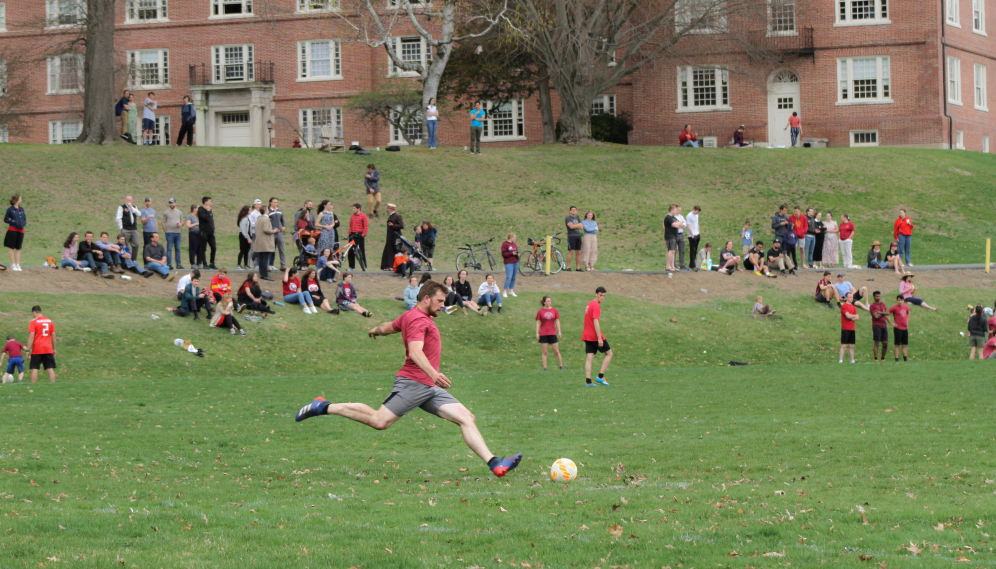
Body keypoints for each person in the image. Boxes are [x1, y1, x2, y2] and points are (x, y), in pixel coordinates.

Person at [294, 280, 523, 478]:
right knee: (378, 421)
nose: (444, 306)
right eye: (440, 301)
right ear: (426, 298)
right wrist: (434, 373)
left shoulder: (410, 316)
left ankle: (495, 464)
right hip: (414, 382)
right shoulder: (419, 321)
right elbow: (415, 352)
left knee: (466, 417)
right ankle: (323, 406)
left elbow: (388, 327)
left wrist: (375, 329)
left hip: (428, 387)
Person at [583, 286, 612, 386]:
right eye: (601, 295)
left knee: (590, 357)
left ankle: (588, 382)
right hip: (594, 335)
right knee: (609, 354)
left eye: (604, 296)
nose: (602, 297)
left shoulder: (589, 304)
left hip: (587, 335)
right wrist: (599, 338)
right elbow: (595, 322)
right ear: (596, 294)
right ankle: (600, 377)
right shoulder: (595, 305)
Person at [27, 306, 56, 383]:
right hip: (48, 348)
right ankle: (53, 385)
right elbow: (53, 336)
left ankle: (33, 386)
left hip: (37, 348)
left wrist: (27, 349)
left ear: (34, 312)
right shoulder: (50, 321)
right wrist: (54, 348)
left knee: (35, 368)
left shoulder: (33, 322)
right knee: (50, 368)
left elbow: (31, 336)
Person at [536, 296, 563, 370]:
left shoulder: (554, 310)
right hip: (543, 333)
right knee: (545, 351)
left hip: (552, 333)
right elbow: (538, 322)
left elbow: (557, 321)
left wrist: (559, 331)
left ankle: (561, 366)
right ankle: (545, 368)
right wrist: (537, 333)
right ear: (544, 302)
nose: (549, 302)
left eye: (550, 301)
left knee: (556, 351)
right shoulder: (540, 311)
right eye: (547, 301)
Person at [161, 197, 184, 269]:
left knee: (177, 249)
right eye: (170, 203)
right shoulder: (166, 212)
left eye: (172, 203)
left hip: (178, 233)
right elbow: (163, 222)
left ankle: (178, 264)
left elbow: (182, 221)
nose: (171, 204)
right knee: (169, 249)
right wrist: (166, 231)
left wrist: (181, 224)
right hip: (170, 233)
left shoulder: (179, 212)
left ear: (175, 203)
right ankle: (169, 264)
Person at [253, 206, 275, 280]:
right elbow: (266, 229)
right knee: (265, 259)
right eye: (267, 209)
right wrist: (274, 231)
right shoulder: (266, 219)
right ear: (265, 211)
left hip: (259, 241)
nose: (268, 211)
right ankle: (265, 275)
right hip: (266, 242)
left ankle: (262, 274)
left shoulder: (258, 219)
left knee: (261, 258)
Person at [867, 291, 890, 362]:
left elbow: (888, 312)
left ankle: (882, 358)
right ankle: (876, 358)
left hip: (884, 325)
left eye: (879, 296)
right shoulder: (872, 306)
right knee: (876, 342)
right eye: (876, 296)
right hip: (877, 325)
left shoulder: (882, 304)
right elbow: (876, 316)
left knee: (885, 343)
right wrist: (883, 313)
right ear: (874, 297)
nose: (878, 297)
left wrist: (880, 312)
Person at [4, 194, 26, 271]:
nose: (21, 200)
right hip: (13, 230)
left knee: (18, 248)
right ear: (17, 200)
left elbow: (24, 218)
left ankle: (17, 264)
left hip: (21, 230)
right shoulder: (10, 209)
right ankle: (13, 264)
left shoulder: (21, 209)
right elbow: (6, 219)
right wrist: (13, 221)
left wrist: (23, 224)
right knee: (12, 247)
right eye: (20, 199)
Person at [380, 203, 404, 271]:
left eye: (388, 208)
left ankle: (394, 266)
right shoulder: (390, 216)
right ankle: (387, 266)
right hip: (390, 237)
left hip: (395, 237)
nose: (387, 210)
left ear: (391, 209)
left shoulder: (397, 216)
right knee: (388, 251)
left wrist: (393, 225)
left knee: (395, 251)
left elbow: (401, 226)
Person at [197, 197, 217, 270]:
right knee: (203, 248)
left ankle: (212, 263)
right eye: (209, 201)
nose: (211, 202)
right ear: (205, 202)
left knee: (214, 247)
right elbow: (205, 218)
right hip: (203, 232)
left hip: (210, 233)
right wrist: (208, 211)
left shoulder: (210, 210)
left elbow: (211, 220)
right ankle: (204, 264)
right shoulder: (201, 210)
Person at [268, 197, 288, 271]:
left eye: (276, 202)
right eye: (274, 202)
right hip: (272, 233)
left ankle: (283, 265)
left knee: (281, 249)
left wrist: (284, 226)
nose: (276, 204)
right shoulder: (269, 212)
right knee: (271, 249)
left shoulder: (279, 211)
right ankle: (269, 265)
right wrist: (272, 229)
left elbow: (282, 220)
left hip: (279, 232)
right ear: (271, 202)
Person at [889, 295, 910, 362]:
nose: (900, 301)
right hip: (898, 328)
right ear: (897, 301)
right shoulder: (894, 308)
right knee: (897, 344)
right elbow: (887, 313)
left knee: (904, 344)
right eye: (898, 300)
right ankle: (896, 359)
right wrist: (891, 323)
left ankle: (905, 358)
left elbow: (908, 313)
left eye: (901, 300)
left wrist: (907, 321)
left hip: (905, 328)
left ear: (903, 301)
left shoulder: (905, 307)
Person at [663, 204, 684, 272]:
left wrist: (679, 224)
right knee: (670, 250)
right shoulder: (668, 217)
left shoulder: (673, 218)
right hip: (670, 236)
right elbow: (674, 225)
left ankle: (673, 266)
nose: (676, 211)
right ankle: (668, 266)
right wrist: (678, 223)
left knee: (674, 251)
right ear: (672, 210)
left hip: (675, 236)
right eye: (675, 210)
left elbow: (682, 225)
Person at [839, 291, 859, 364]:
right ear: (846, 298)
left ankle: (852, 360)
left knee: (852, 345)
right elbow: (848, 316)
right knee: (844, 345)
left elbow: (857, 317)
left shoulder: (853, 306)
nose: (851, 298)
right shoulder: (844, 306)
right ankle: (841, 360)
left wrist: (852, 317)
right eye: (850, 297)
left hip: (852, 328)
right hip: (845, 328)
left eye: (852, 297)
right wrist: (853, 316)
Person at [348, 203, 369, 270]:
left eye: (354, 208)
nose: (353, 210)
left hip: (359, 235)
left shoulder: (363, 216)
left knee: (361, 251)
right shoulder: (352, 216)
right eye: (353, 208)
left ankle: (364, 266)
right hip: (352, 234)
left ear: (358, 209)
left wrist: (363, 234)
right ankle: (351, 266)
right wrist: (350, 234)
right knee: (351, 251)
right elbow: (350, 225)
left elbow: (365, 226)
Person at [565, 206, 583, 271]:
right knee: (571, 251)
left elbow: (581, 227)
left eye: (575, 210)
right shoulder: (568, 218)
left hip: (578, 235)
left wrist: (575, 225)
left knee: (578, 252)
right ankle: (568, 267)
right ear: (570, 211)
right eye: (572, 210)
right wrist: (577, 225)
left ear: (576, 211)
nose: (573, 211)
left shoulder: (578, 218)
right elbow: (571, 227)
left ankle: (578, 267)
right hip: (571, 236)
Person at [237, 205, 252, 270]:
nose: (250, 211)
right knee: (242, 250)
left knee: (247, 250)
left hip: (247, 235)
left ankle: (246, 264)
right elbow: (243, 230)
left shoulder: (247, 218)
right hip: (243, 236)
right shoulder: (243, 219)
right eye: (249, 210)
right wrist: (248, 238)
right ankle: (239, 265)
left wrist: (250, 234)